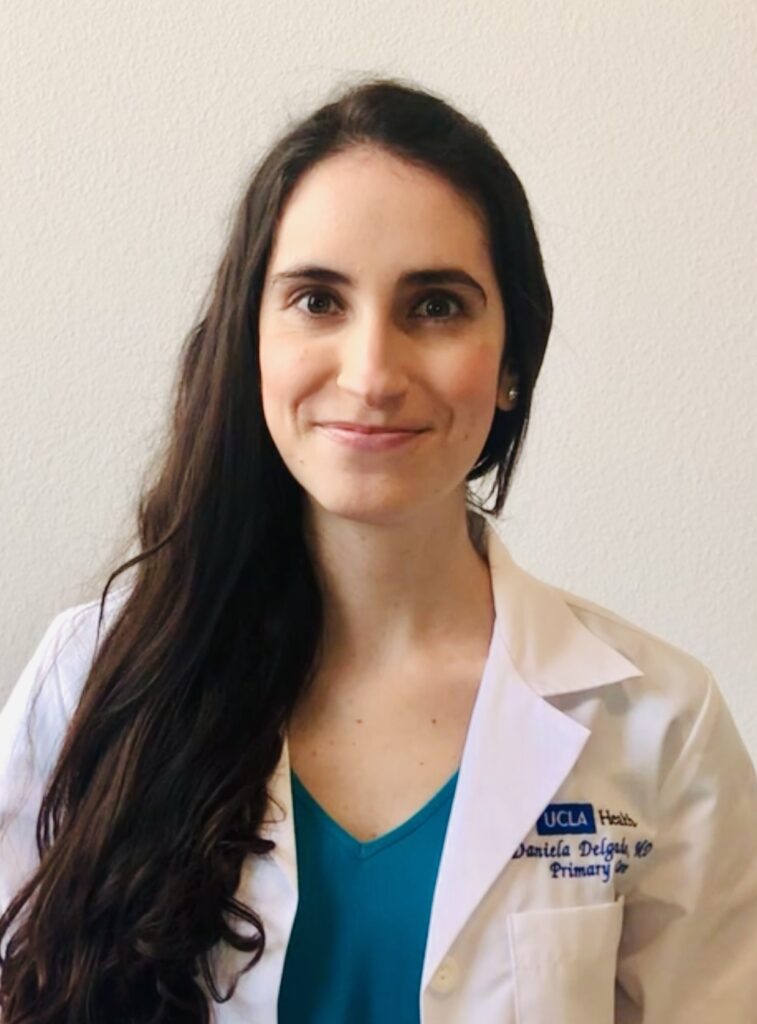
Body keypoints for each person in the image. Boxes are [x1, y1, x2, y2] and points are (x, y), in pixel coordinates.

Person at [1, 75, 756, 1024]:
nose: (371, 374)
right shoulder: (92, 677)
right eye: (318, 299)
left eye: (434, 306)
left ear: (513, 363)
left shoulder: (659, 726)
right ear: (253, 342)